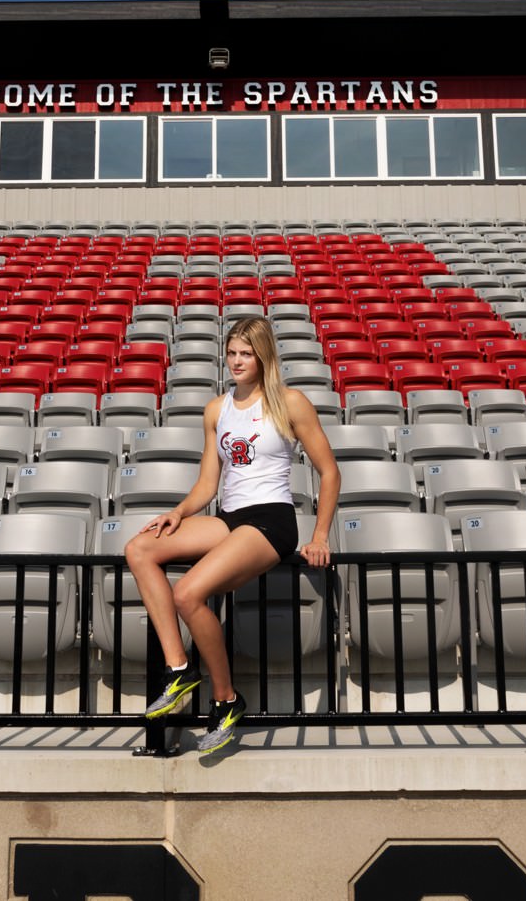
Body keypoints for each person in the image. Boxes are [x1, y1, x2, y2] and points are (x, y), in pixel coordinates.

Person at [124, 314, 341, 754]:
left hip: (271, 520)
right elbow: (208, 484)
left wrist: (319, 535)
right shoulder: (216, 409)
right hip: (229, 517)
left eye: (247, 354)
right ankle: (179, 667)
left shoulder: (289, 402)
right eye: (232, 352)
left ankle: (226, 700)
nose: (238, 361)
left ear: (263, 358)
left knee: (187, 593)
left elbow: (330, 472)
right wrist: (178, 513)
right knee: (140, 547)